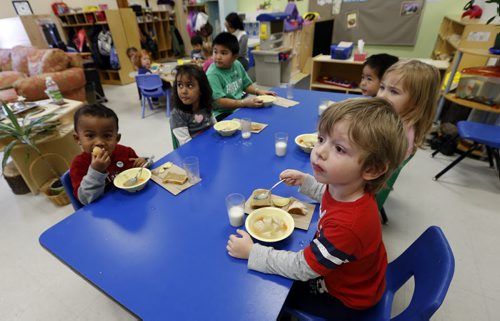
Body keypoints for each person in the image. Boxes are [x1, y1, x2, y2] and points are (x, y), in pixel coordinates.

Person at [226, 98, 408, 320]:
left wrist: (252, 253)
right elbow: (329, 195)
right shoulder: (347, 188)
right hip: (358, 275)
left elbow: (302, 267)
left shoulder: (348, 226)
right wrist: (305, 181)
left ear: (372, 169)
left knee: (277, 298)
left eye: (339, 148)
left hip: (347, 298)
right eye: (321, 139)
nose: (320, 151)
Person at [70, 103, 148, 205]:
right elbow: (84, 200)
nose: (99, 142)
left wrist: (143, 163)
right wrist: (96, 171)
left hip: (131, 202)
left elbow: (139, 173)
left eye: (107, 135)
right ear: (78, 139)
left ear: (117, 138)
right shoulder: (79, 164)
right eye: (90, 135)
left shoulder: (126, 152)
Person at [377, 59, 441, 159]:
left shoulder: (396, 134)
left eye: (394, 92)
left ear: (415, 102)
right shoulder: (394, 117)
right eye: (382, 87)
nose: (381, 96)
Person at [206, 32, 275, 120]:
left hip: (239, 107)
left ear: (234, 57)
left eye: (223, 53)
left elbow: (246, 85)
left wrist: (259, 92)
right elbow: (220, 102)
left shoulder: (237, 64)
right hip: (222, 113)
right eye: (215, 52)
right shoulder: (212, 74)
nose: (218, 57)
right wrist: (244, 103)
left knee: (265, 116)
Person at [170, 64, 216, 146]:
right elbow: (186, 144)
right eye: (180, 85)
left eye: (189, 85)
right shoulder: (178, 114)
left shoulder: (205, 104)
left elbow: (214, 125)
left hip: (210, 144)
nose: (183, 91)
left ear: (201, 89)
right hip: (193, 151)